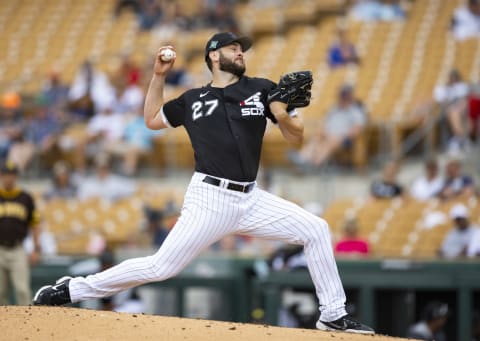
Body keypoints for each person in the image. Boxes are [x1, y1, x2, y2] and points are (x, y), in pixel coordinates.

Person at [33, 31, 374, 334]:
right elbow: (151, 119)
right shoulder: (193, 99)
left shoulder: (262, 89)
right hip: (209, 198)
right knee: (160, 267)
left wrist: (282, 114)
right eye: (234, 48)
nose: (241, 53)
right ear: (214, 55)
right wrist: (157, 77)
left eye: (242, 49)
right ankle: (73, 290)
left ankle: (333, 314)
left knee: (316, 229)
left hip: (251, 199)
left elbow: (297, 136)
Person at [288, 84, 367, 169]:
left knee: (330, 142)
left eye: (345, 96)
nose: (342, 99)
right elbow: (324, 122)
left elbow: (358, 128)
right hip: (328, 134)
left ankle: (316, 164)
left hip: (343, 138)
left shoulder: (355, 111)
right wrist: (322, 131)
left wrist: (344, 136)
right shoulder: (334, 108)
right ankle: (303, 158)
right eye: (342, 96)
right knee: (316, 139)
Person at [0, 161, 41, 305]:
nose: (8, 178)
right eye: (5, 175)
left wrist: (36, 248)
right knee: (0, 293)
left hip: (18, 249)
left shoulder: (25, 198)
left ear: (16, 177)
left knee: (22, 290)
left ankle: (27, 325)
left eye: (11, 175)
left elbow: (35, 224)